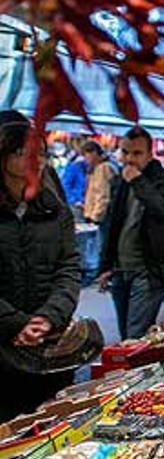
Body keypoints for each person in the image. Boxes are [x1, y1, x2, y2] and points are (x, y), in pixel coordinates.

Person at [0, 112, 81, 420]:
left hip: (49, 348)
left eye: (40, 153)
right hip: (4, 347)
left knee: (48, 427)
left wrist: (48, 317)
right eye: (22, 152)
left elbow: (69, 269)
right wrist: (16, 323)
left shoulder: (55, 210)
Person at [97, 127, 164, 340]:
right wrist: (106, 265)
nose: (130, 159)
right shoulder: (120, 182)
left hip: (150, 271)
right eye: (125, 152)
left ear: (150, 153)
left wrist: (139, 182)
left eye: (137, 153)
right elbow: (112, 225)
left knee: (135, 336)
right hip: (121, 270)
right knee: (126, 337)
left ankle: (136, 373)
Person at [81, 141, 117, 224]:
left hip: (102, 218)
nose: (85, 159)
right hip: (96, 215)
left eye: (86, 155)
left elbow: (102, 194)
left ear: (94, 153)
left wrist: (96, 216)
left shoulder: (103, 168)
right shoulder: (95, 169)